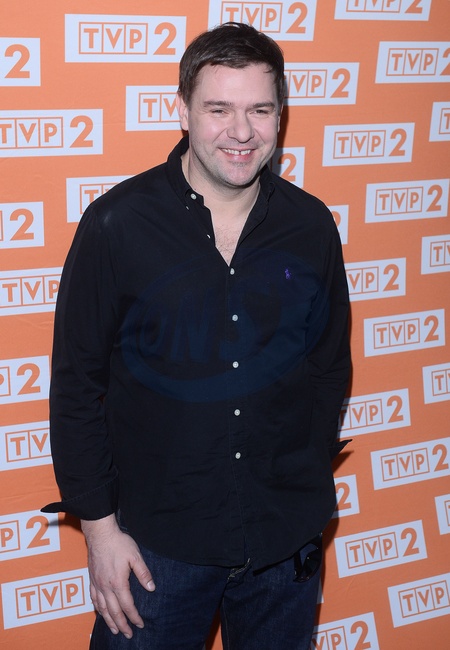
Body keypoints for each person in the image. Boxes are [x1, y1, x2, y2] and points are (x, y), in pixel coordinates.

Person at [43, 21, 351, 650]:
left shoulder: (312, 226)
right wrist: (100, 532)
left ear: (280, 115)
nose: (242, 131)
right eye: (219, 109)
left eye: (260, 109)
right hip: (156, 550)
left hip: (284, 543)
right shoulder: (116, 224)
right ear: (182, 111)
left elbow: (327, 369)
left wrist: (296, 475)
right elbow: (76, 387)